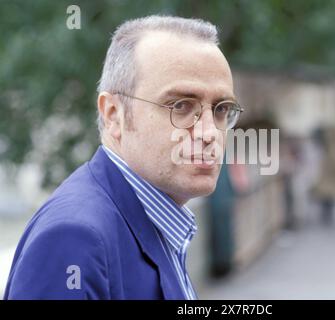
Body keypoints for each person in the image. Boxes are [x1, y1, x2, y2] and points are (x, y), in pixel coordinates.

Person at [4, 15, 242, 299]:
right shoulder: (74, 239)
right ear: (113, 114)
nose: (209, 133)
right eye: (181, 106)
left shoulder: (153, 216)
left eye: (220, 109)